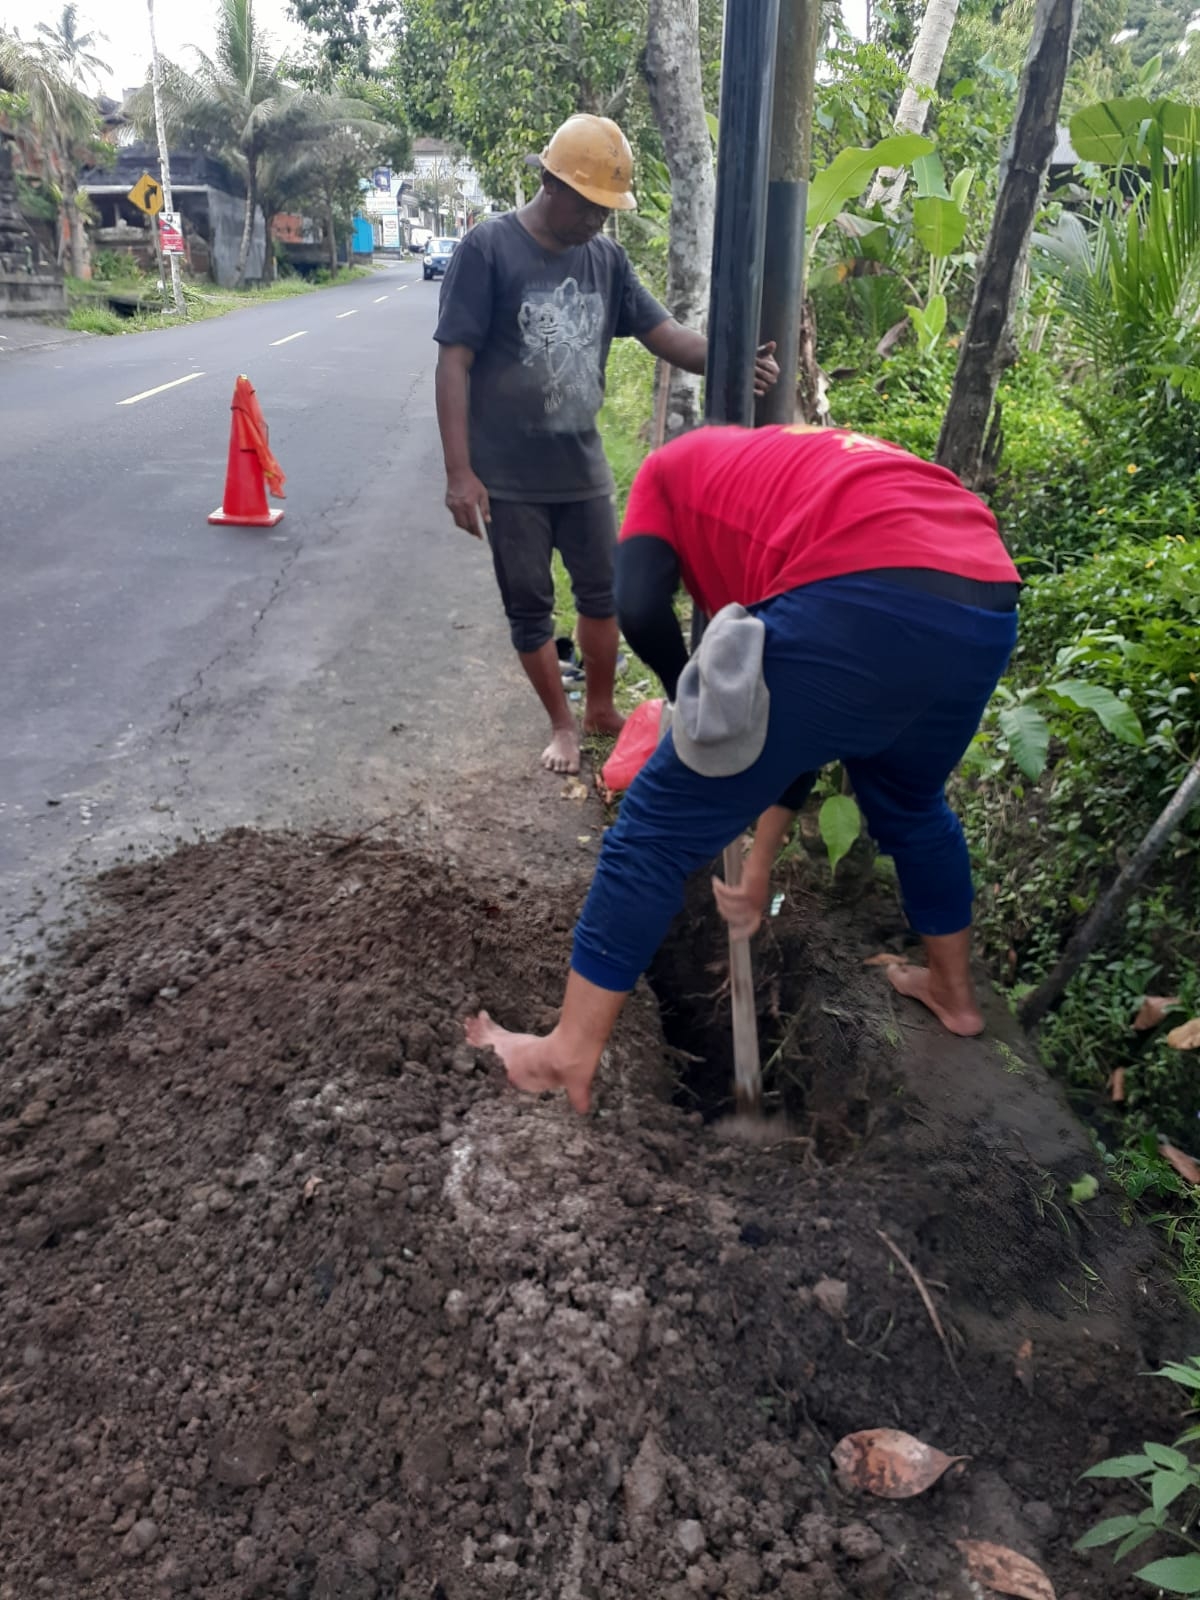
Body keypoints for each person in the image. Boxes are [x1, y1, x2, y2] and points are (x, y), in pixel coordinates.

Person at [466, 423, 1022, 1111]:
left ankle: (561, 1057)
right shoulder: (789, 468)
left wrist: (689, 702)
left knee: (654, 830)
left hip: (860, 587)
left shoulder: (665, 474)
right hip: (984, 598)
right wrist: (756, 869)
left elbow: (635, 603)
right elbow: (799, 730)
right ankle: (954, 996)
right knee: (910, 803)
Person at [434, 112, 777, 776]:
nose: (598, 220)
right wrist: (459, 474)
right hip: (507, 476)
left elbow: (666, 335)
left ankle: (598, 706)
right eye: (589, 205)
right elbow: (455, 362)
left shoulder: (607, 260)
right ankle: (560, 725)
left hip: (582, 469)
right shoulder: (488, 250)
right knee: (529, 602)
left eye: (607, 208)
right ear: (550, 184)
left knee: (604, 595)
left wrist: (734, 360)